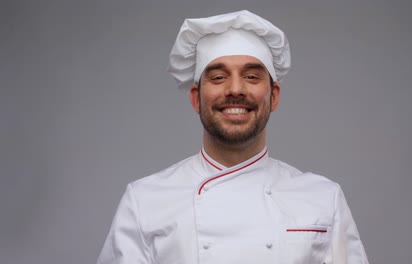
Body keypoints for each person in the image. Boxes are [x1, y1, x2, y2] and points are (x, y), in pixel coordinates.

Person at [97, 10, 369, 264]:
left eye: (251, 76)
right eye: (218, 77)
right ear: (196, 98)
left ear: (273, 96)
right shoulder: (145, 201)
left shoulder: (323, 198)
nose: (236, 89)